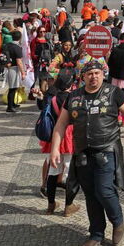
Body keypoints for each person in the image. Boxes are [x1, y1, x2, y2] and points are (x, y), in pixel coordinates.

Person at [50, 60, 124, 246]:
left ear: (103, 74)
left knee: (104, 190)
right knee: (91, 194)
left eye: (97, 73)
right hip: (82, 153)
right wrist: (55, 150)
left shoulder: (113, 92)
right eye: (89, 73)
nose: (93, 76)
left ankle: (117, 221)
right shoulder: (74, 96)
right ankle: (96, 233)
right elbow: (61, 124)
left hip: (107, 150)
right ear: (83, 76)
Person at [37, 71, 79, 217]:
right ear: (70, 85)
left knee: (53, 173)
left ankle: (50, 205)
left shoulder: (53, 98)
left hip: (54, 136)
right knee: (70, 173)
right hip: (69, 136)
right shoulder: (72, 98)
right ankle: (68, 206)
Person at [2, 31, 24, 113]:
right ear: (20, 37)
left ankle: (13, 103)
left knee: (14, 87)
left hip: (9, 67)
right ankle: (10, 107)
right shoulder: (17, 47)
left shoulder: (7, 45)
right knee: (12, 88)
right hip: (14, 68)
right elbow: (19, 61)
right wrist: (23, 73)